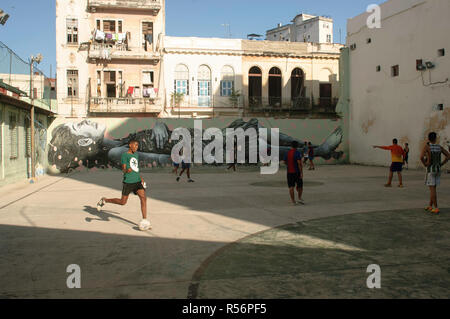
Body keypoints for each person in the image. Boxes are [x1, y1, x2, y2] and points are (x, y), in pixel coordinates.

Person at [96, 140, 151, 230]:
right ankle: (105, 200)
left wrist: (141, 179)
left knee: (143, 198)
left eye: (137, 145)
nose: (137, 147)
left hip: (137, 181)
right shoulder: (125, 155)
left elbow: (136, 168)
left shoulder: (136, 155)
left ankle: (144, 220)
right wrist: (126, 171)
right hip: (128, 182)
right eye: (135, 145)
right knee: (123, 202)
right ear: (130, 145)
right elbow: (124, 169)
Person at [420, 132, 450, 214]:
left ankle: (436, 207)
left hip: (431, 170)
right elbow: (448, 155)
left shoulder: (427, 147)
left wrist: (425, 164)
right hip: (438, 169)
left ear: (429, 138)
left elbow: (421, 157)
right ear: (435, 138)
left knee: (432, 189)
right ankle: (430, 205)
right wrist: (441, 164)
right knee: (433, 188)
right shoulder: (439, 147)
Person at [284, 141, 304, 205]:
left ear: (291, 146)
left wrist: (288, 165)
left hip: (289, 172)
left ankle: (293, 201)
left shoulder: (287, 153)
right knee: (300, 186)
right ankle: (299, 198)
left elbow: (284, 162)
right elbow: (299, 163)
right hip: (297, 172)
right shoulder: (297, 153)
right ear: (297, 146)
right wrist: (301, 172)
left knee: (291, 187)